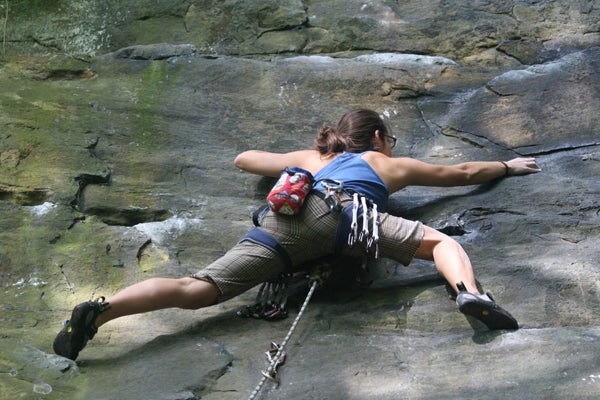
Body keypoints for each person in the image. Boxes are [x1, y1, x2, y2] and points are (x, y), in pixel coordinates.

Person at [53, 109, 541, 360]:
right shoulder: (382, 163)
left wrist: (300, 159)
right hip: (349, 220)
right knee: (442, 243)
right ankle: (468, 295)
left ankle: (100, 313)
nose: (391, 146)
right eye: (389, 139)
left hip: (284, 223)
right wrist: (507, 165)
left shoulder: (313, 160)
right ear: (377, 139)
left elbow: (244, 159)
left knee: (197, 289)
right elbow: (461, 171)